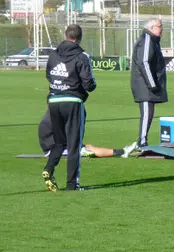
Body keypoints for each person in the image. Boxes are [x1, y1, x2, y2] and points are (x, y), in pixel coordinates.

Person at [41, 24, 97, 191]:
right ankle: (72, 184)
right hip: (72, 101)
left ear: (65, 35)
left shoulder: (53, 54)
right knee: (74, 144)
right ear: (79, 38)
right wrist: (89, 86)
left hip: (54, 100)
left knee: (59, 142)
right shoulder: (82, 56)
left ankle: (48, 168)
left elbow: (48, 76)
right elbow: (88, 84)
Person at [126, 18, 166, 153]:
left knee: (149, 113)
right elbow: (144, 62)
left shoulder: (153, 41)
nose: (162, 29)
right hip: (144, 84)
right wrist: (152, 83)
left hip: (146, 84)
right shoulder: (147, 40)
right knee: (147, 113)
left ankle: (143, 140)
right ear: (152, 27)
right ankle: (142, 142)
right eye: (160, 26)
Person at [39, 109, 131, 158]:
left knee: (88, 147)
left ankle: (122, 152)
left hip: (58, 146)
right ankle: (122, 152)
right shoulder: (55, 117)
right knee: (86, 150)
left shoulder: (52, 114)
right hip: (54, 150)